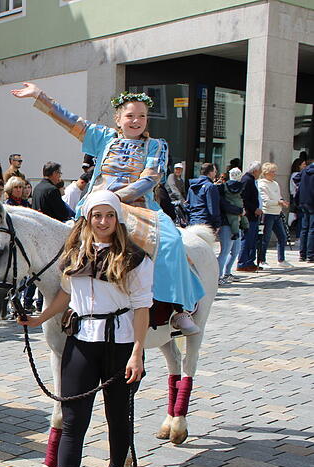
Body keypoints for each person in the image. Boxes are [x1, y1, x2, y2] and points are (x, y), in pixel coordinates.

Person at [13, 83, 202, 336]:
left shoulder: (156, 146)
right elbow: (71, 122)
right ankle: (71, 302)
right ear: (118, 118)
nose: (136, 121)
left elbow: (149, 179)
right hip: (96, 207)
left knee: (170, 241)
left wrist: (112, 198)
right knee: (69, 247)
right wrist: (40, 97)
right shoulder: (103, 137)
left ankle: (177, 309)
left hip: (139, 207)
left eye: (142, 116)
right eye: (130, 115)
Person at [18, 190, 151, 467]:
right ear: (88, 218)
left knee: (117, 414)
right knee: (73, 419)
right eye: (96, 216)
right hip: (80, 342)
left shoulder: (134, 257)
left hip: (118, 344)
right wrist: (39, 318)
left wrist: (137, 352)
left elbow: (142, 307)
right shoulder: (74, 252)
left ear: (117, 218)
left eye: (108, 215)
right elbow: (67, 292)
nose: (102, 222)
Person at [258, 162, 292, 268]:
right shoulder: (261, 184)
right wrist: (279, 202)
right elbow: (266, 201)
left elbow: (279, 196)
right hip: (267, 214)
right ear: (266, 173)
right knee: (265, 238)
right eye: (272, 172)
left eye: (274, 172)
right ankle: (262, 260)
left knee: (282, 237)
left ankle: (281, 259)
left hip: (277, 213)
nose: (274, 174)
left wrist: (282, 201)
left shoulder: (275, 183)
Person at [218, 168, 247, 284]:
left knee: (233, 250)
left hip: (233, 221)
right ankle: (218, 276)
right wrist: (240, 210)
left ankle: (226, 273)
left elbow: (223, 204)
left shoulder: (221, 187)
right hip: (229, 222)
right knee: (227, 251)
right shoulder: (242, 187)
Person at [236, 161, 262, 272]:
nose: (260, 173)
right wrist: (254, 209)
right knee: (247, 239)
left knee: (252, 240)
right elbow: (244, 198)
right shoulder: (247, 180)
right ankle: (243, 263)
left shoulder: (251, 180)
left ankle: (249, 262)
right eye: (259, 171)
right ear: (255, 171)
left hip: (253, 216)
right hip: (249, 215)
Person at [187, 163, 224, 229]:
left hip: (193, 223)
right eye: (215, 172)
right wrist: (217, 225)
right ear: (210, 173)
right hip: (206, 224)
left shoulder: (192, 186)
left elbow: (187, 205)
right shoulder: (210, 186)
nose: (215, 174)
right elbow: (213, 208)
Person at [298, 160, 314, 262]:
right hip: (312, 202)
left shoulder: (304, 170)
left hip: (304, 201)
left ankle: (302, 254)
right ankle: (310, 255)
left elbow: (296, 179)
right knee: (312, 229)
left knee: (304, 229)